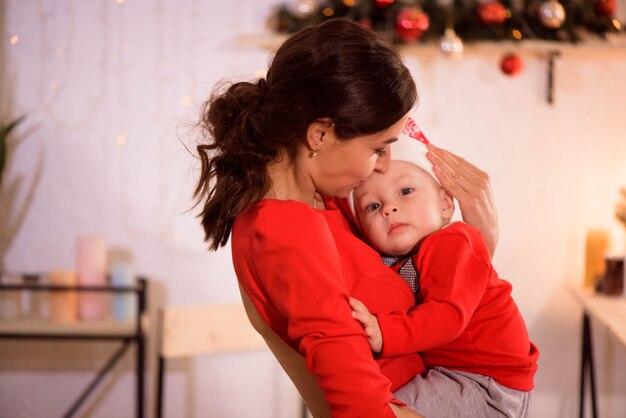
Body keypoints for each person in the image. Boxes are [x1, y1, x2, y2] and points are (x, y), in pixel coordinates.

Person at [193, 18, 499, 418]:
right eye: (378, 148)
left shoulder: (320, 200)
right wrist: (483, 241)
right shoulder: (285, 233)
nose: (384, 165)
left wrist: (478, 241)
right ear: (320, 135)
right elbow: (362, 407)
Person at [348, 121, 539, 417]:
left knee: (382, 409)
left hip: (486, 384)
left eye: (406, 191)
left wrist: (386, 332)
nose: (389, 207)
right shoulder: (392, 260)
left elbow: (448, 314)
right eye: (372, 206)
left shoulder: (454, 242)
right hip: (455, 375)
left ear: (446, 205)